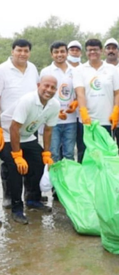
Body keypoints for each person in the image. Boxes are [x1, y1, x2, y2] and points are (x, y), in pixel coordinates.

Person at [0, 75, 60, 224]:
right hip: (7, 135)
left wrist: (46, 152)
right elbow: (13, 128)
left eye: (53, 87)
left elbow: (48, 130)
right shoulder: (28, 100)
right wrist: (17, 155)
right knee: (16, 168)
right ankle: (17, 209)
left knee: (39, 163)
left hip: (26, 136)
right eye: (46, 86)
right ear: (39, 85)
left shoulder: (54, 105)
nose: (49, 90)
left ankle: (33, 200)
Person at [0, 39, 39, 209]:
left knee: (33, 162)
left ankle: (31, 197)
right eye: (19, 50)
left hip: (30, 125)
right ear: (12, 51)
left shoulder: (33, 68)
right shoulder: (2, 70)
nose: (22, 54)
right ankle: (10, 196)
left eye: (26, 51)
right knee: (11, 163)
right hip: (8, 127)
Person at [73, 39, 119, 162]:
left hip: (106, 119)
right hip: (87, 121)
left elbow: (118, 92)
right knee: (85, 154)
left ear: (101, 51)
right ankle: (86, 180)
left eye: (95, 49)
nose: (92, 52)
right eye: (89, 50)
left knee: (106, 154)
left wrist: (116, 110)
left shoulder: (111, 69)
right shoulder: (80, 70)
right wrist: (84, 112)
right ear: (86, 52)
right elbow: (80, 93)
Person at [40, 41, 77, 162]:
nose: (59, 54)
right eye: (56, 52)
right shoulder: (46, 71)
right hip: (52, 120)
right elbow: (42, 95)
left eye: (62, 51)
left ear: (67, 53)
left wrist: (76, 102)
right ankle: (55, 180)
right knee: (54, 153)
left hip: (71, 119)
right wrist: (54, 111)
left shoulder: (75, 70)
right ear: (51, 55)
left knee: (69, 154)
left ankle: (69, 179)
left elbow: (79, 91)